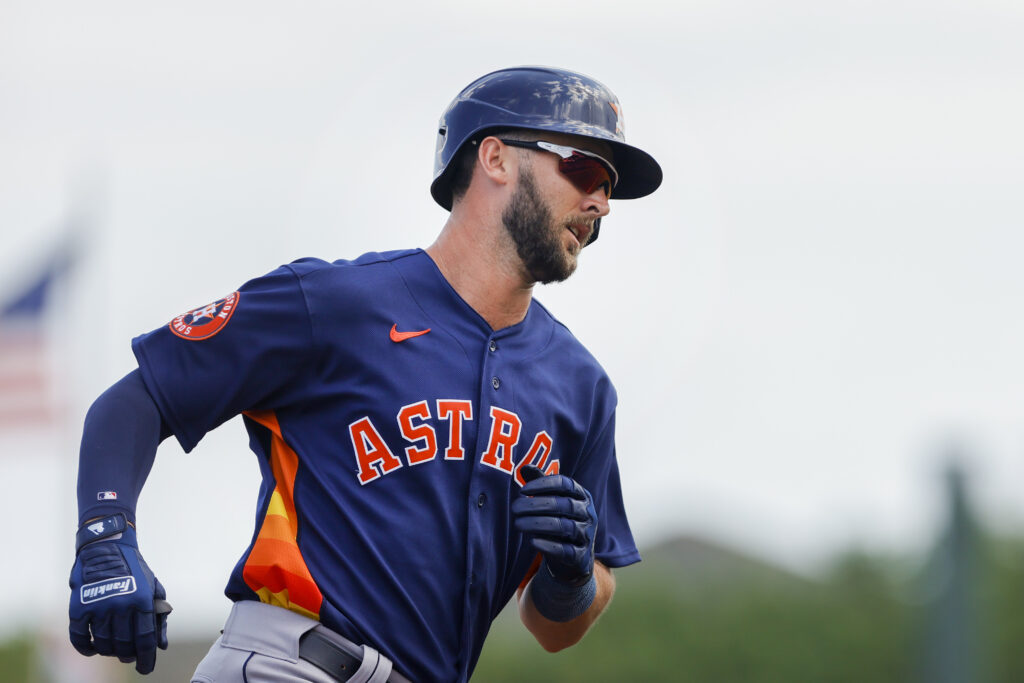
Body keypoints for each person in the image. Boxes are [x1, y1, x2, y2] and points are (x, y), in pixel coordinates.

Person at [67, 65, 663, 682]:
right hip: (293, 665)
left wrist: (569, 582)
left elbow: (558, 625)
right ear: (495, 158)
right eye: (584, 169)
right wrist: (106, 537)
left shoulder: (582, 387)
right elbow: (138, 401)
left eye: (608, 184)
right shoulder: (337, 303)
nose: (601, 202)